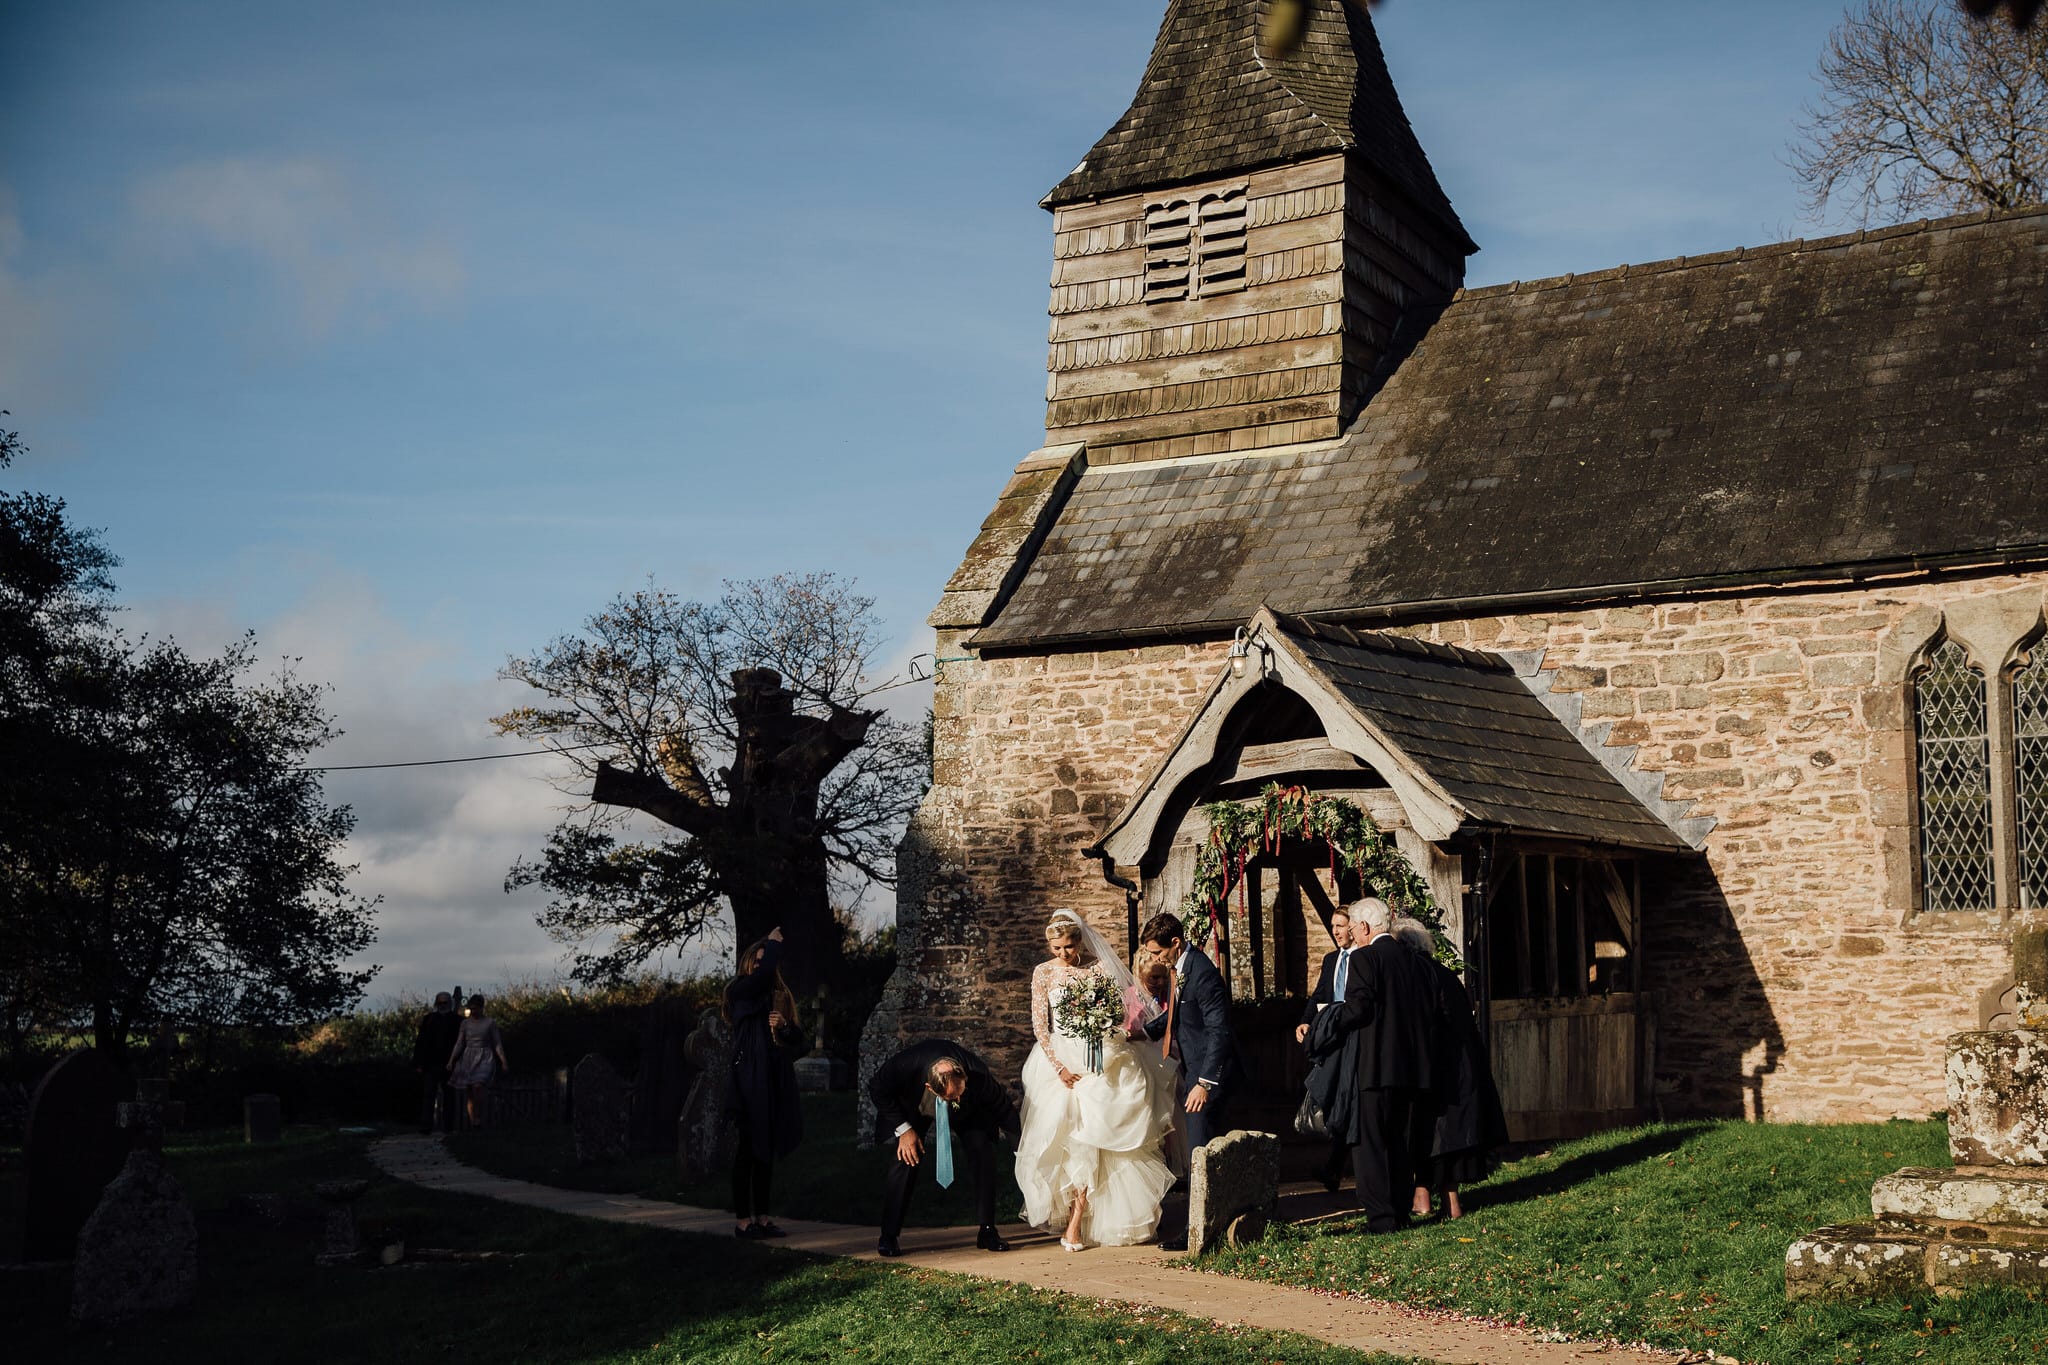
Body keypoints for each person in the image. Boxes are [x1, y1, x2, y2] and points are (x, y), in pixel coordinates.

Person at [1016, 910, 1175, 1250]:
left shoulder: (1099, 968)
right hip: (1062, 1062)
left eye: (1070, 946)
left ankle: (1087, 1221)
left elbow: (1119, 1013)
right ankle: (1074, 1221)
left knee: (1104, 1137)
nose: (1064, 954)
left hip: (1102, 1056)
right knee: (1075, 1140)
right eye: (1057, 948)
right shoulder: (1043, 973)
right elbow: (1040, 1025)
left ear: (1080, 941)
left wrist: (1100, 1024)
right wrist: (1058, 1066)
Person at [1137, 911, 1242, 1251]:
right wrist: (1141, 1032)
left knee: (1200, 1152)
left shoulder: (1205, 974)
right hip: (1195, 1069)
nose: (1154, 959)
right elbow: (1180, 1011)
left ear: (1175, 944)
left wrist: (1204, 1083)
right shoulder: (1183, 968)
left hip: (1209, 1077)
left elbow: (1219, 1031)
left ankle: (1198, 1230)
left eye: (1157, 952)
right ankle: (1210, 1224)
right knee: (1203, 1151)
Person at [1391, 916, 1507, 1221]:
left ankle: (1442, 1203)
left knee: (1433, 1136)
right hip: (1460, 1065)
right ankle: (1430, 1199)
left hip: (1438, 1068)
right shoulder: (1444, 973)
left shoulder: (1417, 975)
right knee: (1442, 1137)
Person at [1334, 897, 1437, 1233]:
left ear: (1364, 927)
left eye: (1351, 928)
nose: (1351, 934)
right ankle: (1401, 1211)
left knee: (1371, 1144)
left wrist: (1331, 1020)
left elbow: (1359, 1008)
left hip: (1375, 1066)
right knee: (1400, 1143)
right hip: (1412, 1066)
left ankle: (1381, 1217)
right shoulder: (1415, 960)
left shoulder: (1365, 958)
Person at [868, 1038, 1021, 1258]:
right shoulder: (906, 1065)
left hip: (969, 1112)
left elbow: (1004, 1110)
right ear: (930, 1087)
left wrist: (1021, 1152)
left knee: (982, 1152)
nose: (956, 1098)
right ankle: (888, 1235)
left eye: (959, 1092)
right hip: (917, 1108)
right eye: (952, 1097)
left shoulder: (977, 1073)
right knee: (905, 1160)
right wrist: (904, 1130)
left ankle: (987, 1230)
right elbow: (877, 1088)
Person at [725, 926, 805, 1238]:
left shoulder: (777, 997)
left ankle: (763, 1218)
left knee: (766, 1151)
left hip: (773, 1080)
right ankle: (743, 1220)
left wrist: (784, 1026)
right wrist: (771, 945)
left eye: (765, 960)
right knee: (748, 1150)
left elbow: (797, 1039)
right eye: (756, 961)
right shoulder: (740, 990)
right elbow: (759, 978)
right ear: (748, 965)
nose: (761, 966)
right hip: (748, 1081)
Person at [1296, 907, 1356, 1190]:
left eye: (1341, 926)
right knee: (1335, 1094)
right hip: (1333, 1040)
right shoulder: (1332, 959)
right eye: (1333, 926)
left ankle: (1335, 1165)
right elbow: (1320, 994)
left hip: (1356, 1038)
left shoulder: (1363, 958)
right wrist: (1305, 1022)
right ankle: (1334, 1164)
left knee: (1349, 1097)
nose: (1336, 931)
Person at [446, 994, 508, 1131]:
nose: (473, 1011)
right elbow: (459, 1043)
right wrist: (451, 1060)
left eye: (476, 1009)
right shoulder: (465, 1023)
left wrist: (503, 1061)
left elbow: (497, 1042)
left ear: (481, 1008)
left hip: (485, 1056)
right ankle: (475, 1122)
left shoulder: (490, 1022)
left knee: (478, 1086)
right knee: (470, 1092)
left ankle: (478, 1117)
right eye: (471, 1009)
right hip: (469, 1056)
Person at [411, 991, 461, 1135]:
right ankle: (426, 1126)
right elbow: (420, 1042)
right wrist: (418, 1063)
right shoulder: (429, 1019)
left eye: (445, 1003)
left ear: (450, 1003)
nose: (442, 1006)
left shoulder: (457, 1020)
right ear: (436, 1004)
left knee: (449, 1096)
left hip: (449, 1063)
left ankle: (448, 1126)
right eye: (440, 1003)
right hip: (430, 1063)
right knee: (428, 1095)